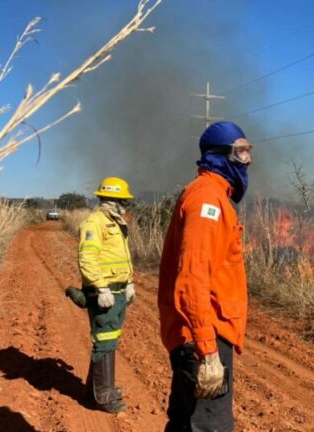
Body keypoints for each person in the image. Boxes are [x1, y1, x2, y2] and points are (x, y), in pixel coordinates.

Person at [158, 121, 252, 431]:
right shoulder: (207, 199)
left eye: (248, 151)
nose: (248, 159)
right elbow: (193, 277)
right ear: (220, 154)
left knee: (186, 423)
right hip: (203, 333)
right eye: (240, 151)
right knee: (211, 426)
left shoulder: (212, 195)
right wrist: (208, 351)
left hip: (201, 332)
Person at [78, 176, 136, 413]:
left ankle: (95, 389)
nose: (125, 206)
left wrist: (129, 282)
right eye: (122, 201)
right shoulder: (95, 223)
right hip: (106, 293)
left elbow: (122, 258)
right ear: (110, 200)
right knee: (104, 341)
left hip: (119, 291)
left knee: (110, 339)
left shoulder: (116, 223)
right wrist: (101, 287)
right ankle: (104, 396)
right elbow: (87, 258)